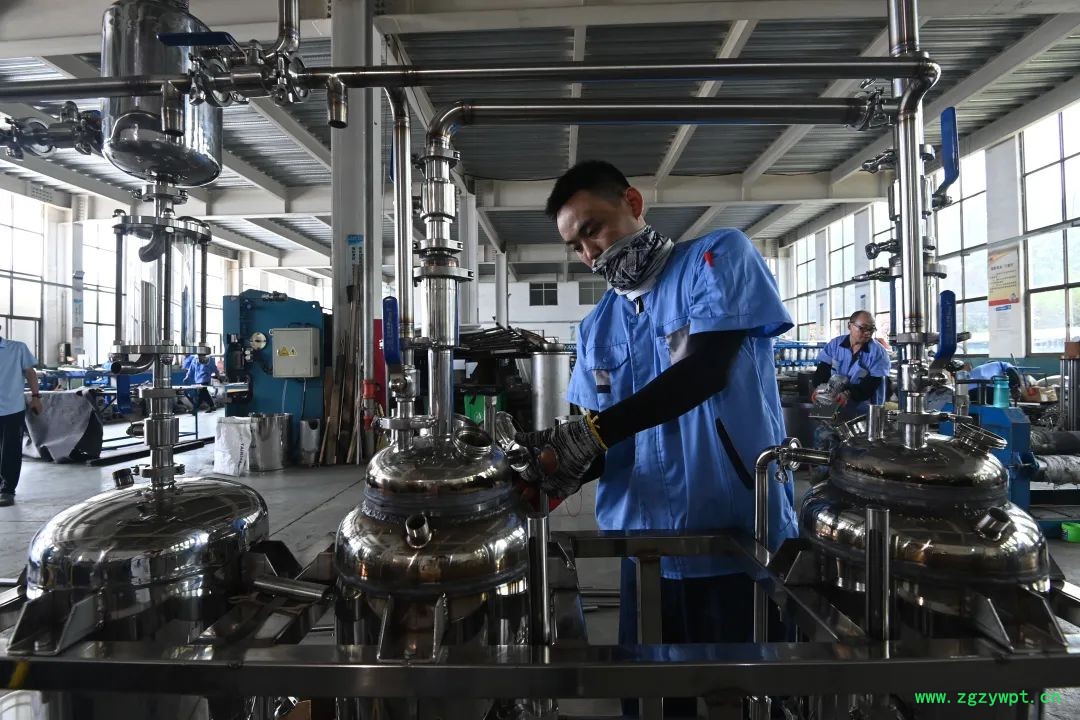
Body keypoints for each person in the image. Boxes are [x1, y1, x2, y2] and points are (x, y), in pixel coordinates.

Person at [515, 161, 796, 715]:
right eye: (576, 246)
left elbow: (703, 372)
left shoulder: (717, 257)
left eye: (593, 230)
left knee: (750, 700)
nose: (589, 253)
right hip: (644, 553)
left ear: (633, 203)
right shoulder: (596, 328)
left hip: (738, 540)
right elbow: (605, 443)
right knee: (652, 703)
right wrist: (556, 469)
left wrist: (590, 435)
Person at [811, 310, 892, 418]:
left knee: (861, 428)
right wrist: (820, 389)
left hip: (865, 410)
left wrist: (847, 394)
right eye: (863, 328)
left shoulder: (878, 353)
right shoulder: (835, 345)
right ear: (849, 326)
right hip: (832, 404)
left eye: (871, 329)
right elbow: (822, 370)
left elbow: (871, 385)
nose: (867, 333)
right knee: (826, 427)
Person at [0, 327, 42, 507]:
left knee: (10, 450)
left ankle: (7, 490)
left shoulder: (17, 348)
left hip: (12, 408)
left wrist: (36, 397)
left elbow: (30, 372)